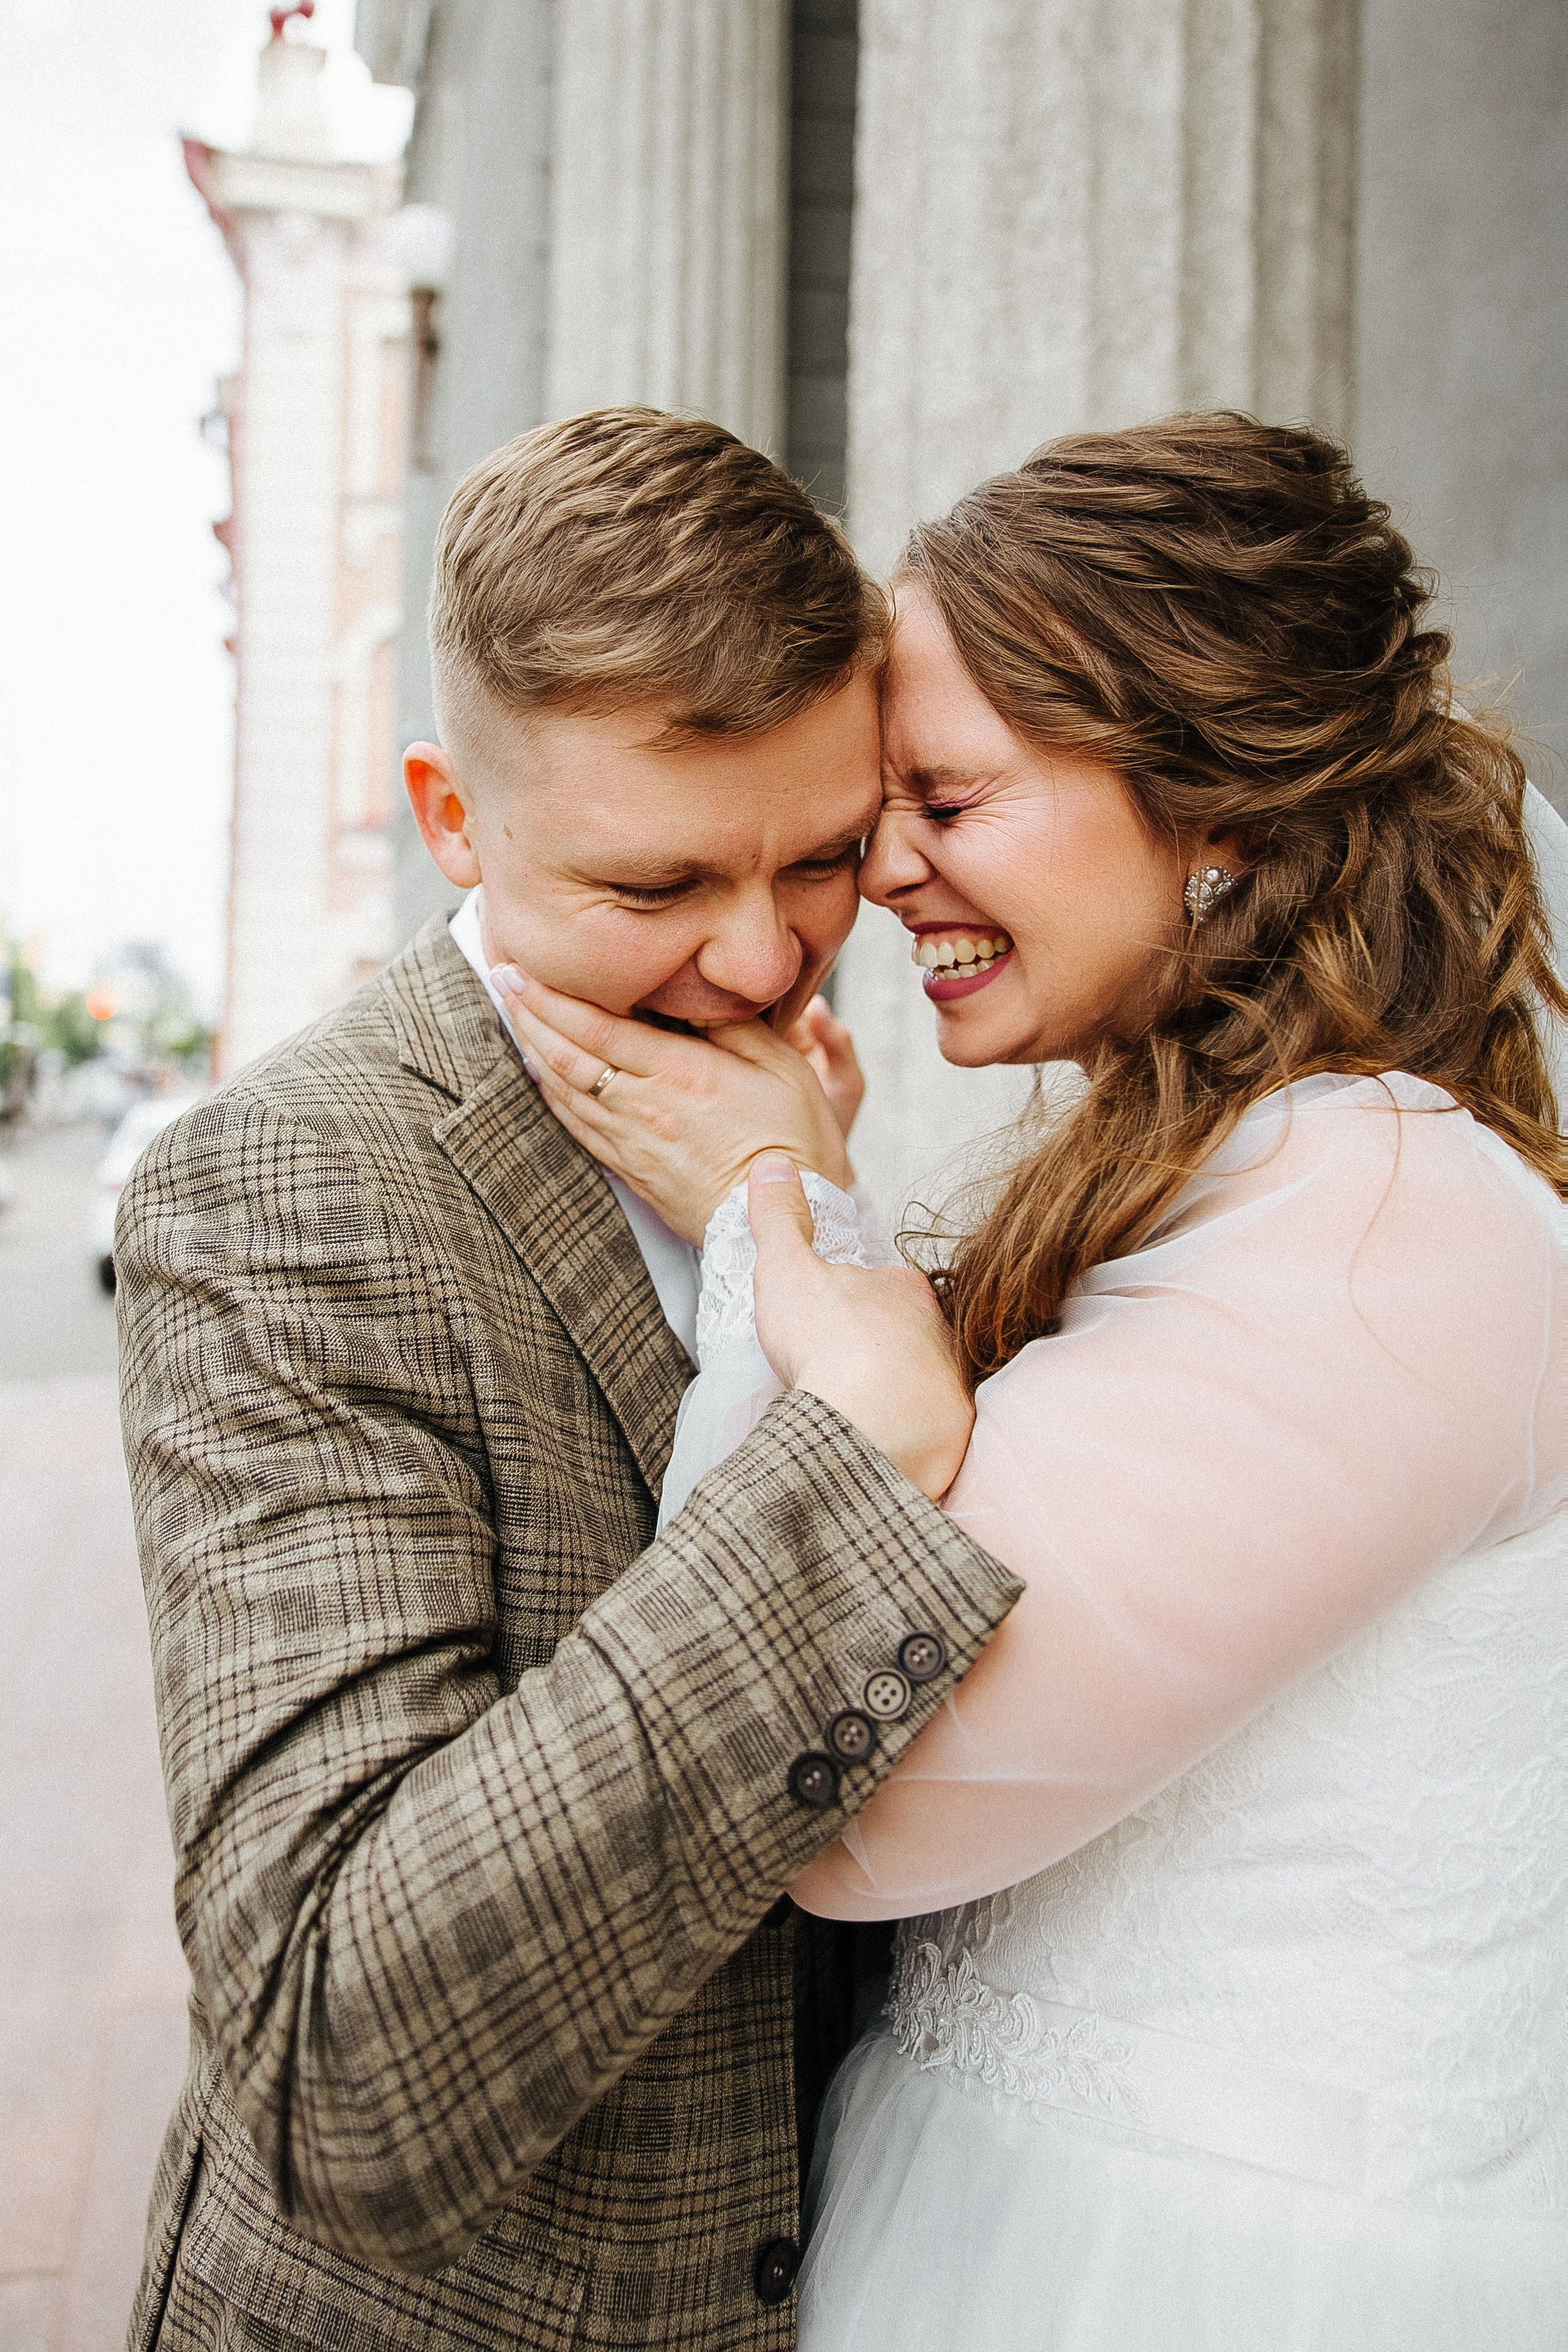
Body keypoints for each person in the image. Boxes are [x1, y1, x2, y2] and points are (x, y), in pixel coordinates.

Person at [504, 415, 1568, 2348]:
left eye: (950, 798)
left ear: (1216, 802)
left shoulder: (1382, 1216)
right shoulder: (1252, 1164)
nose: (879, 868)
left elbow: (857, 1801)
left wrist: (776, 1220)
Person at [116, 409, 1023, 2352]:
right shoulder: (288, 1185)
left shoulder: (819, 1106)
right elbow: (339, 2063)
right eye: (650, 886)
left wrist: (809, 1212)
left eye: (821, 858)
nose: (761, 955)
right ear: (452, 816)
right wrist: (845, 1475)